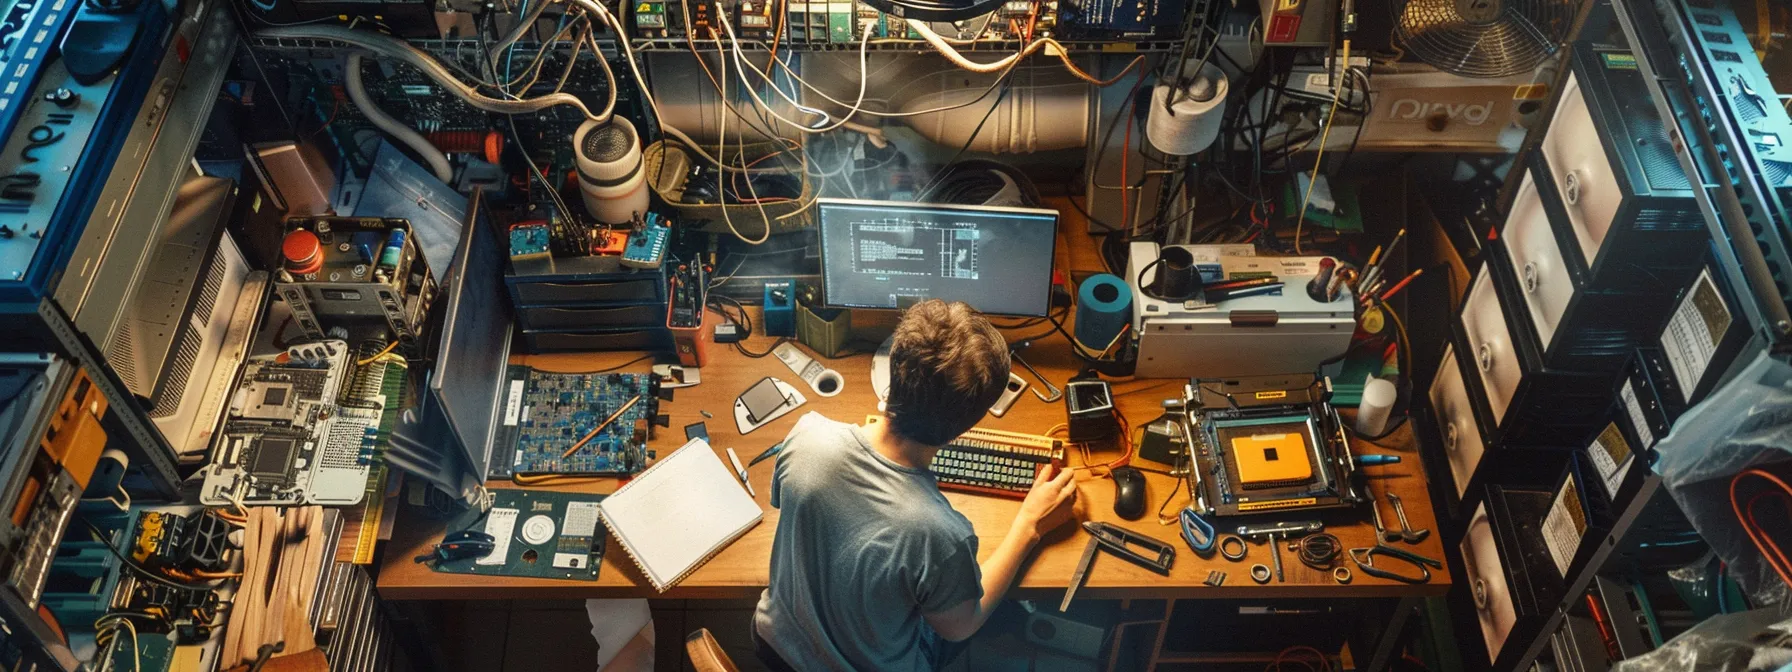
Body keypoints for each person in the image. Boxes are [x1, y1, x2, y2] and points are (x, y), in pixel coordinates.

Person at [752, 299, 1082, 671]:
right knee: (997, 614)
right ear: (967, 426)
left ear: (892, 371)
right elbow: (960, 626)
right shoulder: (940, 535)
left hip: (775, 644)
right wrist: (1029, 526)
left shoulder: (807, 436)